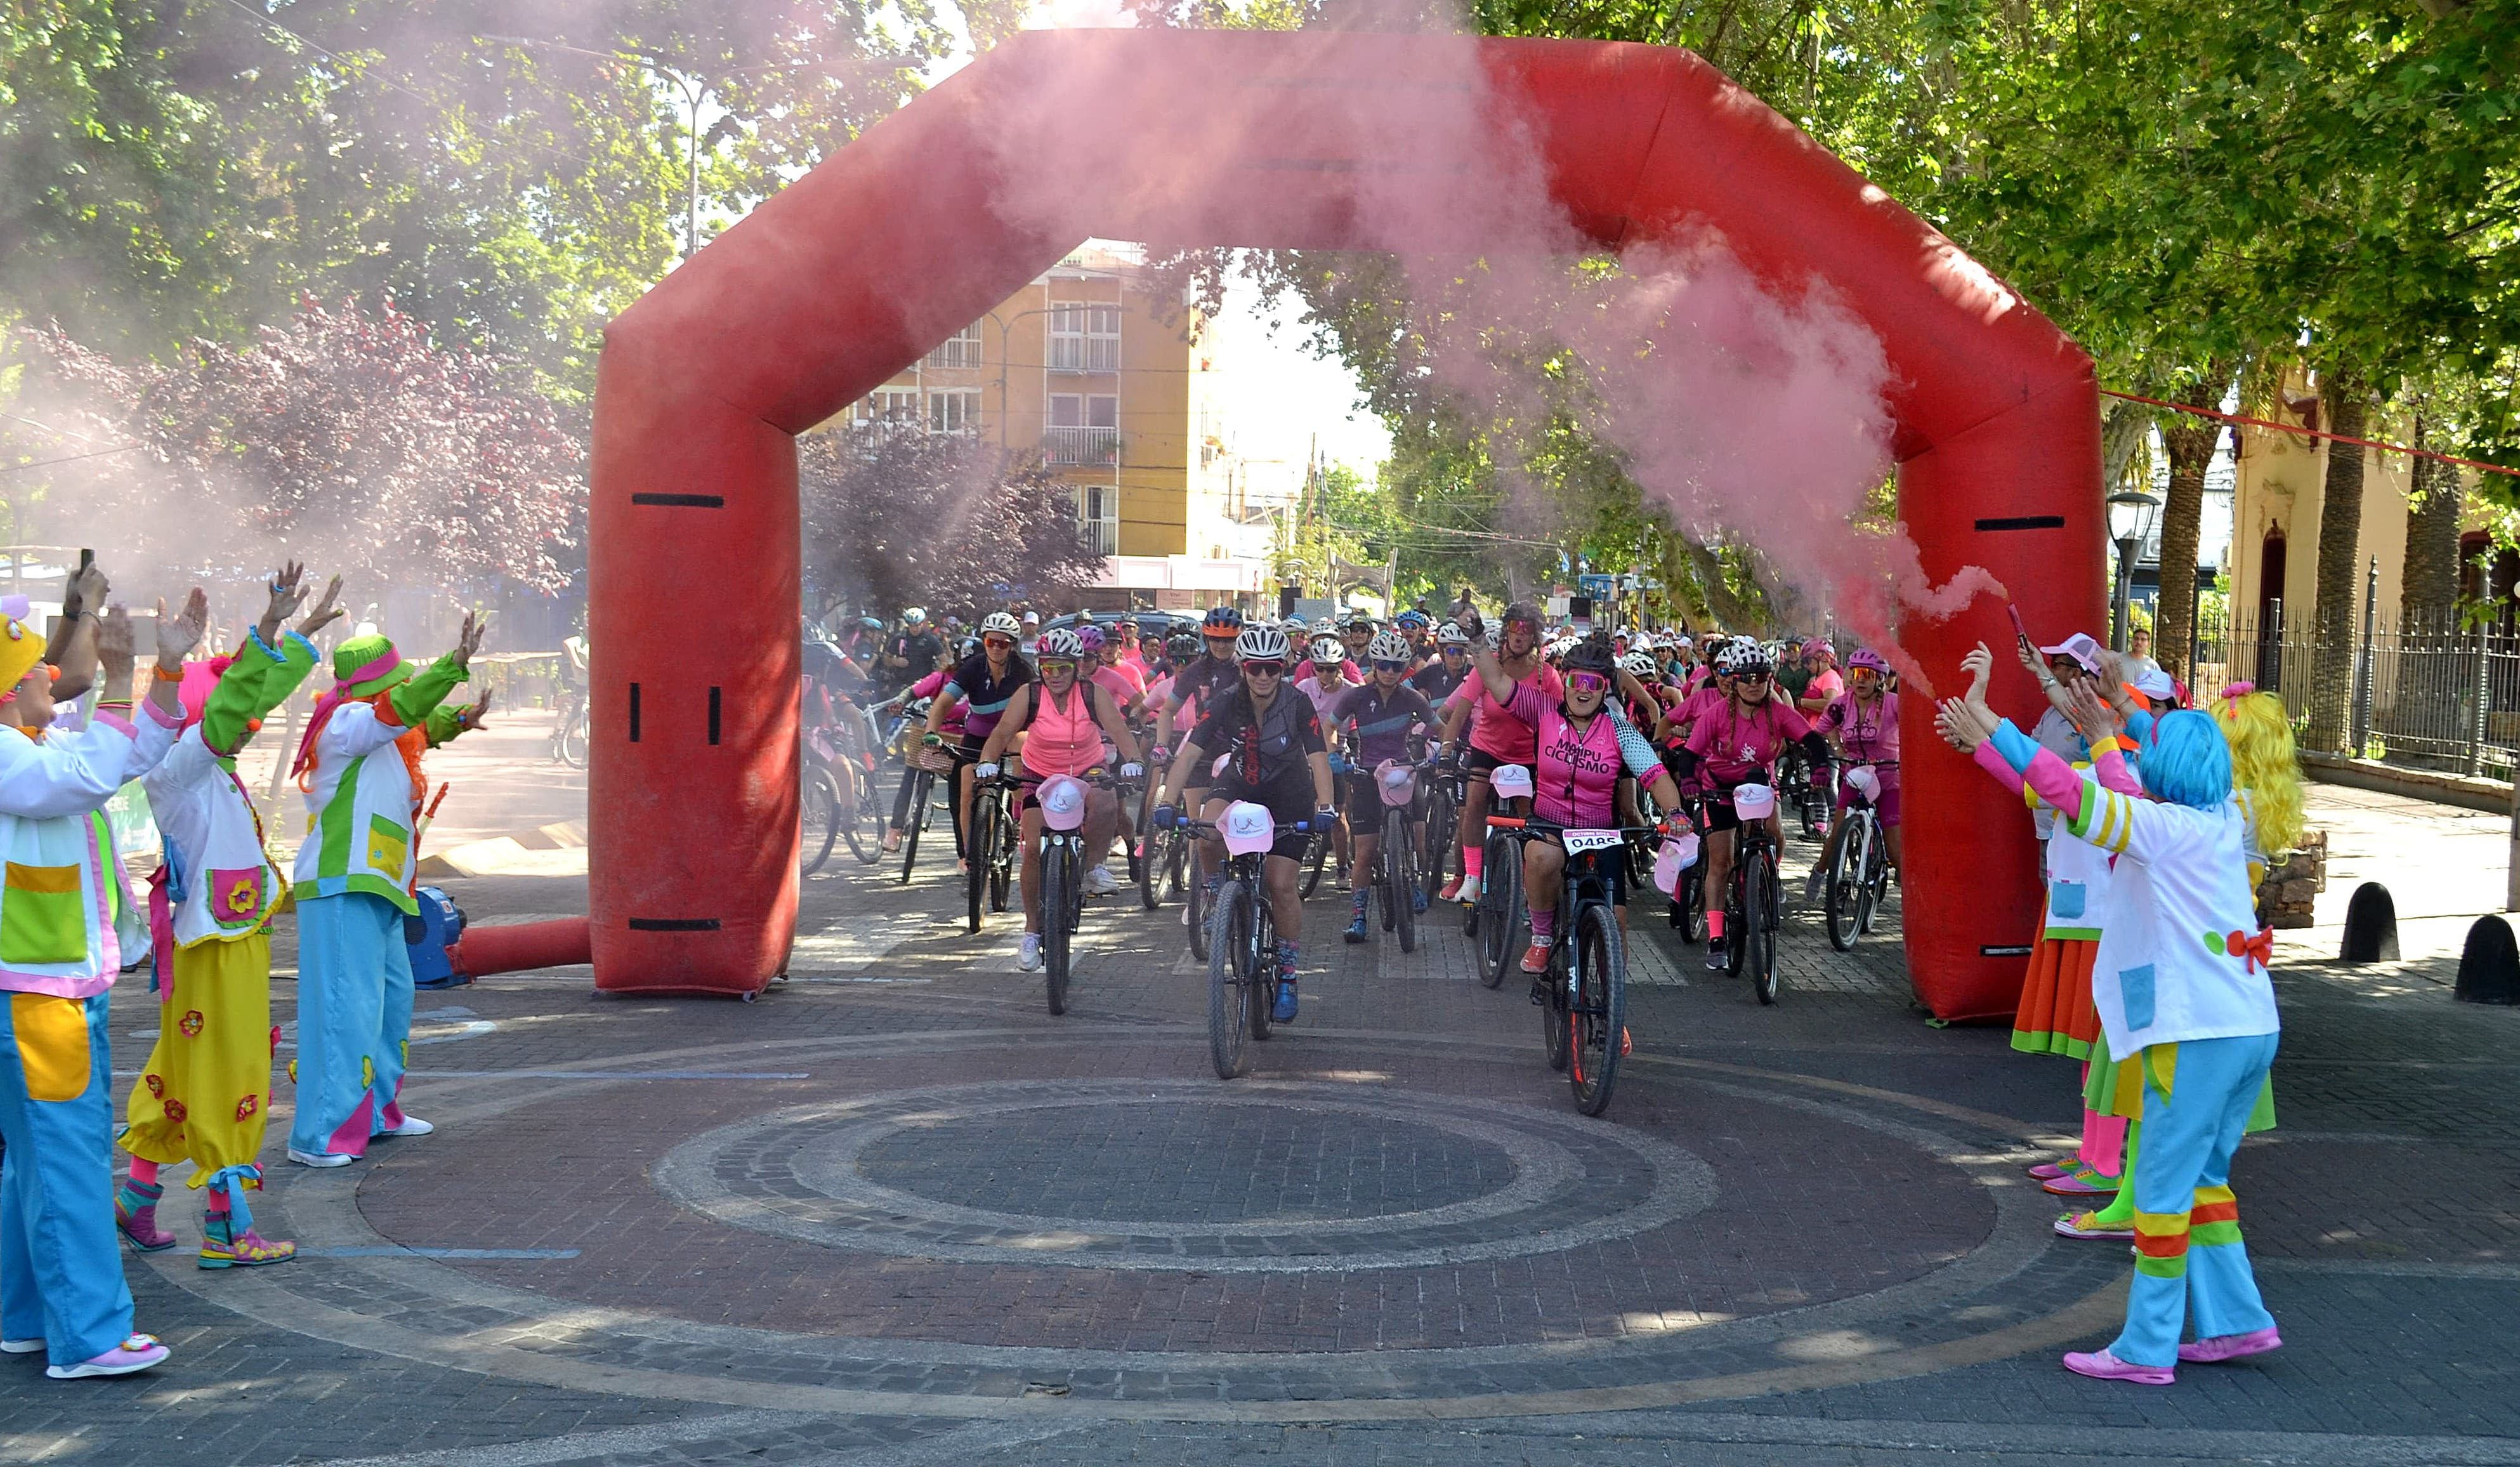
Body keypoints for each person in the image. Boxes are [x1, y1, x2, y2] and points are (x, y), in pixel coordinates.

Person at [1938, 678, 2283, 1386]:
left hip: (2195, 1036)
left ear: (2167, 773)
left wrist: (1995, 724)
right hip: (2249, 1025)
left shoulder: (2160, 830)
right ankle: (2237, 1321)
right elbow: (2119, 786)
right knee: (2205, 1182)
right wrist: (2103, 730)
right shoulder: (2218, 817)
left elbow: (2071, 791)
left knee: (2159, 1193)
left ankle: (2146, 1347)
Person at [1, 568, 202, 1380]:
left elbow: (123, 754)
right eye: (39, 671)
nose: (58, 675)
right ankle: (88, 1335)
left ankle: (27, 1317)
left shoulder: (30, 744)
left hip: (42, 989)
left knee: (33, 1159)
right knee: (69, 1159)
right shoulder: (10, 755)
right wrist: (121, 675)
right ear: (12, 689)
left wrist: (161, 669)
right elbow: (94, 770)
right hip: (37, 995)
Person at [118, 568, 341, 1271]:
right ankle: (226, 1226)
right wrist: (270, 630)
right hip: (218, 945)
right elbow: (233, 710)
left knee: (183, 1071)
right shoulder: (182, 764)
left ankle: (137, 1196)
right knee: (231, 1075)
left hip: (218, 939)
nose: (247, 715)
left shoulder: (205, 765)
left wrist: (294, 636)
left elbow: (248, 701)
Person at [286, 615, 488, 1167]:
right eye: (395, 679)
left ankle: (377, 1113)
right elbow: (399, 714)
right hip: (342, 884)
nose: (402, 688)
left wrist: (462, 718)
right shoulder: (348, 720)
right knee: (344, 1010)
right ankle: (322, 1135)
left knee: (389, 1005)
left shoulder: (381, 733)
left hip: (382, 886)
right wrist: (452, 667)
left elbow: (420, 723)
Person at [1466, 635, 1686, 980]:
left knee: (1617, 921)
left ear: (1604, 690)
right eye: (1575, 681)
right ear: (1565, 681)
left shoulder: (1620, 730)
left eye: (1593, 684)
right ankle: (1541, 936)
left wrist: (1675, 814)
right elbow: (1496, 681)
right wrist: (1477, 640)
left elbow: (1655, 776)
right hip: (1551, 825)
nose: (1583, 691)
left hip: (1601, 831)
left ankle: (1613, 1007)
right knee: (1541, 858)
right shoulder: (1543, 711)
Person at [1151, 623, 1336, 1021]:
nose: (1265, 676)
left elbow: (1318, 757)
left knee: (1281, 884)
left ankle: (1287, 974)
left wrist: (1325, 806)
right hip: (1238, 782)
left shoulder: (1298, 703)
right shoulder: (1225, 701)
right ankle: (1217, 894)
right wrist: (1166, 801)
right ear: (1242, 668)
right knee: (1205, 829)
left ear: (1284, 668)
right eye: (1256, 668)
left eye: (1273, 668)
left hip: (1291, 793)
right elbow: (1188, 754)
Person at [973, 628, 1143, 971]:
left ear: (1077, 666)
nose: (1054, 676)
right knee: (1034, 851)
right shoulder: (1029, 694)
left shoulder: (1093, 694)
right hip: (1039, 775)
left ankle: (1095, 867)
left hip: (1087, 768)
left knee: (1107, 799)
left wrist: (1135, 761)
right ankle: (1032, 932)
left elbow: (1121, 732)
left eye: (1062, 668)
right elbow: (1004, 731)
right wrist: (986, 762)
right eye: (1047, 668)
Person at [1667, 640, 1830, 971]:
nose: (1754, 684)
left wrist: (1820, 768)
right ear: (1734, 681)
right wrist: (1689, 780)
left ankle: (1769, 876)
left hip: (1760, 785)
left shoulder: (1778, 712)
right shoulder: (1717, 713)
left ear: (1770, 679)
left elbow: (1812, 740)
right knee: (1721, 862)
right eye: (1746, 677)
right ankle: (1716, 938)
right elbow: (1691, 753)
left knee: (1774, 830)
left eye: (1761, 676)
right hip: (1720, 786)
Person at [1435, 603, 1559, 904]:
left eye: (1527, 629)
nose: (1520, 634)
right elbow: (1458, 714)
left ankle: (1532, 887)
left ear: (1535, 636)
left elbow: (1559, 722)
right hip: (1487, 748)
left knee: (1530, 817)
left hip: (1527, 754)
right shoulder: (1489, 665)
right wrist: (1446, 752)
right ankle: (1472, 878)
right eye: (1514, 627)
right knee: (1475, 802)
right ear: (1506, 631)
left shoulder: (1549, 676)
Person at [1330, 632, 1438, 941]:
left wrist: (1437, 750)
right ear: (1375, 665)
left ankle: (1415, 884)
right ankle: (1359, 916)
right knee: (1365, 852)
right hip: (1365, 775)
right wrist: (1334, 753)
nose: (1390, 672)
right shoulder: (1357, 696)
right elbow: (1329, 728)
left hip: (1404, 772)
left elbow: (1440, 727)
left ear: (1404, 668)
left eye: (1396, 666)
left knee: (1419, 836)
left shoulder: (1412, 698)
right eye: (1384, 665)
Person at [1804, 647, 1902, 901]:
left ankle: (1913, 893)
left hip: (1888, 777)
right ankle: (1819, 873)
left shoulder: (1894, 703)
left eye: (1868, 674)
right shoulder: (1840, 705)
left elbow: (1915, 731)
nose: (1861, 679)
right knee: (1836, 834)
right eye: (1857, 673)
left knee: (1894, 846)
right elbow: (1824, 728)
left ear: (1880, 679)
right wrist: (1838, 748)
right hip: (1855, 775)